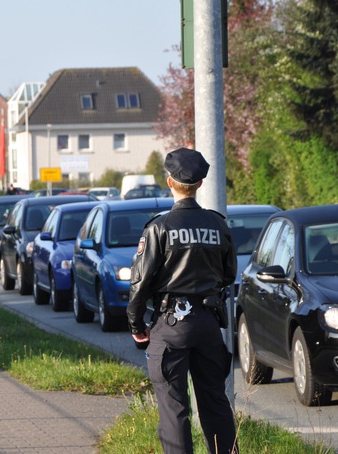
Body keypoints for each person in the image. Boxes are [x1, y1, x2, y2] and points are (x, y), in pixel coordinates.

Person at [127, 147, 238, 454]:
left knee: (175, 409)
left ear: (169, 182)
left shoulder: (158, 228)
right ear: (200, 184)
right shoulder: (218, 225)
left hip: (170, 324)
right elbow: (229, 274)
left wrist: (137, 326)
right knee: (215, 403)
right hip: (208, 324)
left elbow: (140, 283)